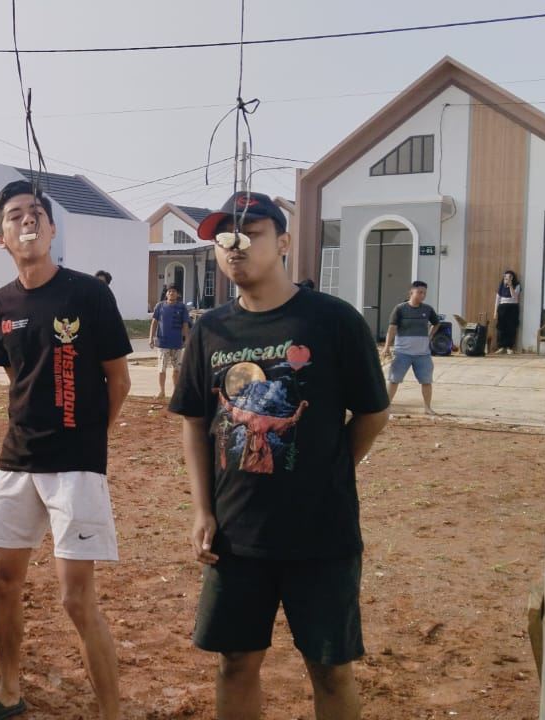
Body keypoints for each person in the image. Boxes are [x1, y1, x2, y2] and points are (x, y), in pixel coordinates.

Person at [168, 191, 390, 720]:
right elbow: (195, 421)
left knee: (330, 669)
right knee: (235, 663)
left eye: (251, 234)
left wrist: (331, 465)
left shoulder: (332, 320)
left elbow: (372, 412)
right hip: (236, 534)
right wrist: (202, 509)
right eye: (225, 237)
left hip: (322, 532)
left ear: (284, 242)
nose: (235, 246)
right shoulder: (211, 330)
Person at [0, 181, 132, 720]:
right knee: (2, 582)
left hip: (76, 466)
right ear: (1, 237)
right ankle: (9, 691)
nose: (27, 220)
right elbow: (13, 375)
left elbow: (119, 380)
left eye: (36, 212)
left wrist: (90, 439)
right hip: (17, 461)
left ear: (53, 228)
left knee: (75, 598)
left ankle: (110, 713)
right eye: (15, 215)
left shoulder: (88, 295)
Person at [382, 281, 439, 415]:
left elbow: (436, 323)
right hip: (402, 353)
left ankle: (427, 408)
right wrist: (386, 347)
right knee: (394, 380)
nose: (422, 295)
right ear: (411, 292)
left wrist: (430, 336)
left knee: (426, 381)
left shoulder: (428, 309)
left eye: (424, 293)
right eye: (419, 292)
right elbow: (392, 329)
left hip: (423, 354)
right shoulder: (400, 309)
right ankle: (386, 408)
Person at [149, 286, 190, 400]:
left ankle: (176, 393)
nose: (171, 293)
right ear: (166, 294)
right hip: (163, 343)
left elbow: (185, 324)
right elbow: (154, 322)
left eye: (174, 291)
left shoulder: (182, 307)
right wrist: (151, 338)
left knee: (177, 370)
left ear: (178, 294)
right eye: (169, 291)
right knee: (161, 369)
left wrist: (187, 339)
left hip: (177, 344)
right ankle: (162, 391)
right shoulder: (160, 306)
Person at [493, 270, 521, 354]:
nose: (506, 278)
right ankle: (501, 347)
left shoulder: (517, 285)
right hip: (502, 307)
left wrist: (510, 285)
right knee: (501, 327)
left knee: (511, 327)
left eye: (508, 277)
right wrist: (495, 312)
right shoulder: (501, 285)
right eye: (505, 277)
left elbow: (514, 296)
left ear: (512, 278)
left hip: (512, 307)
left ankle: (509, 347)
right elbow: (497, 298)